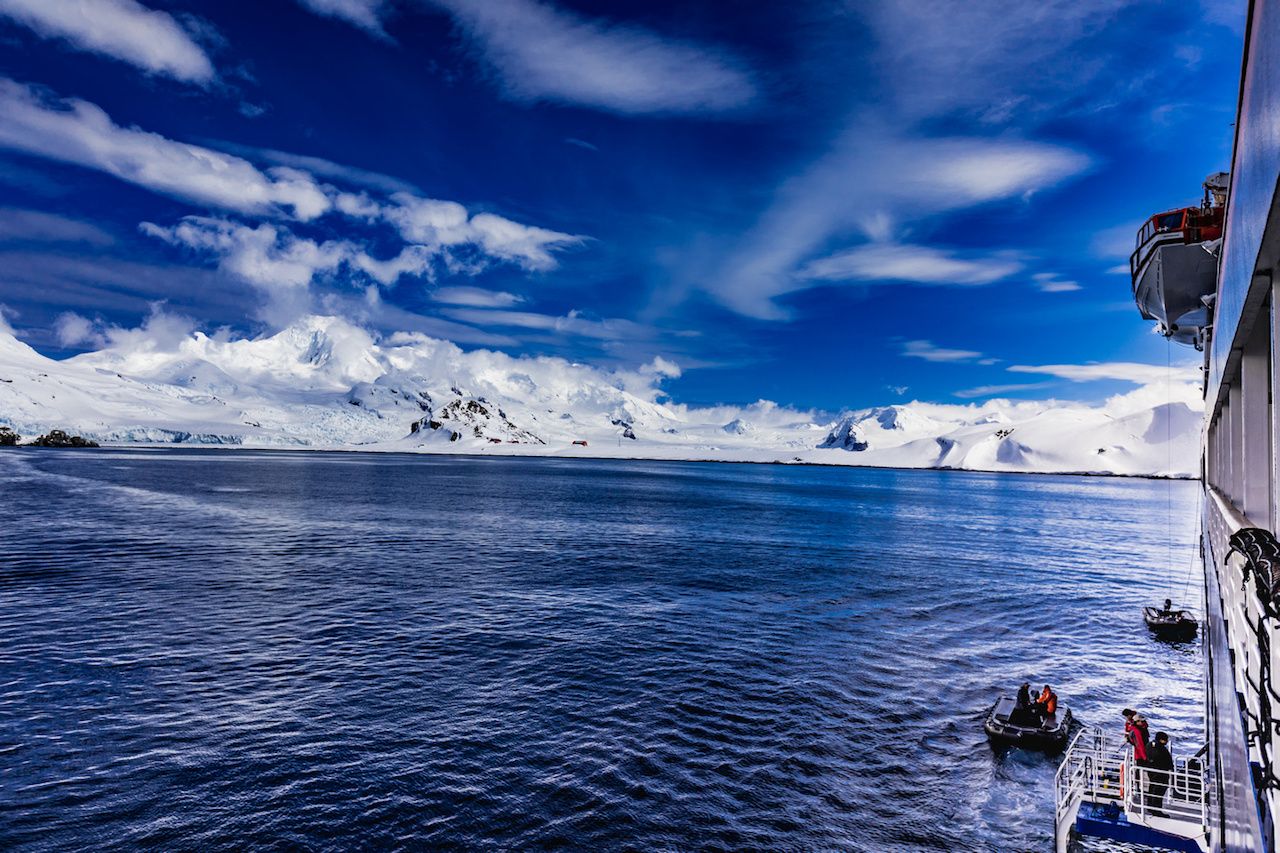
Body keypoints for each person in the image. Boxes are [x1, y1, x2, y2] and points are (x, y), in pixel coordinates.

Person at [1146, 731, 1175, 816]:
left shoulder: (1149, 745)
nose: (1166, 742)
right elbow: (1163, 760)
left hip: (1152, 771)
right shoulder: (1160, 748)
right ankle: (1156, 810)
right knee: (1159, 791)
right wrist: (1169, 767)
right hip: (1160, 773)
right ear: (1161, 740)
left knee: (1152, 788)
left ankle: (1150, 806)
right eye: (1165, 740)